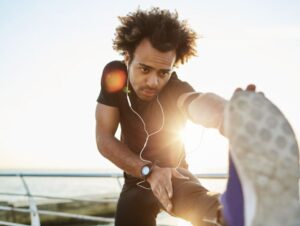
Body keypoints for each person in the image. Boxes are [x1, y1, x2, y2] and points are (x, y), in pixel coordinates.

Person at [95, 7, 300, 226]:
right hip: (135, 179)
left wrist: (228, 115)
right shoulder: (114, 76)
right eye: (145, 69)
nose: (154, 82)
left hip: (175, 174)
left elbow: (195, 102)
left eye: (163, 72)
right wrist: (148, 170)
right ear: (127, 58)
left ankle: (241, 215)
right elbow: (104, 139)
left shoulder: (174, 88)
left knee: (209, 210)